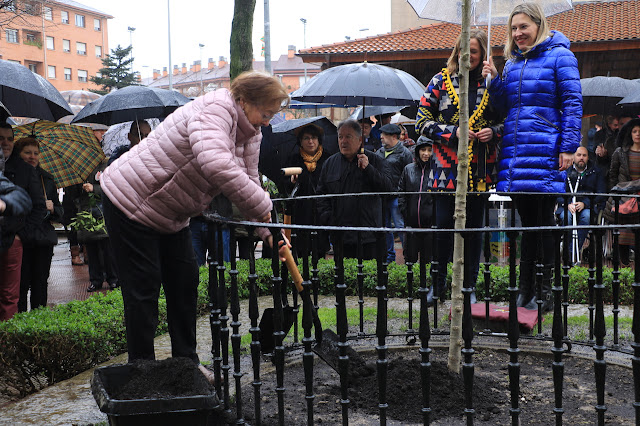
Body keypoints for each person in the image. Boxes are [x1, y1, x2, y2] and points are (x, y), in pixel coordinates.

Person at [100, 71, 290, 382]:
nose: (268, 121)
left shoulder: (251, 133)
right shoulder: (214, 109)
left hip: (170, 213)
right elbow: (215, 162)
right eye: (266, 113)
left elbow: (250, 182)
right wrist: (266, 206)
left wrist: (270, 232)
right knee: (144, 288)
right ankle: (142, 372)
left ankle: (185, 366)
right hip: (130, 200)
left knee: (184, 284)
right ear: (244, 100)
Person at [483, 2, 582, 311]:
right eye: (514, 28)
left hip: (545, 150)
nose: (518, 33)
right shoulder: (512, 63)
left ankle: (547, 289)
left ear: (539, 25)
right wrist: (495, 81)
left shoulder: (561, 56)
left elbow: (572, 102)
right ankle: (526, 290)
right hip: (516, 152)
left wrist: (567, 146)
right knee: (528, 224)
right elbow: (505, 108)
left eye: (523, 26)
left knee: (543, 223)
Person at [417, 28, 503, 305]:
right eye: (464, 50)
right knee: (443, 228)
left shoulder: (491, 83)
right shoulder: (439, 81)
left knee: (474, 232)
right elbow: (421, 121)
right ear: (457, 51)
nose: (469, 56)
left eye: (475, 51)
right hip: (445, 171)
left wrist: (494, 132)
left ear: (483, 54)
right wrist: (451, 132)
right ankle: (438, 284)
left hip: (479, 169)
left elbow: (507, 118)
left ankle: (469, 287)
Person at [316, 119, 393, 259]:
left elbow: (388, 188)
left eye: (348, 137)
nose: (343, 141)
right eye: (340, 137)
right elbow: (321, 194)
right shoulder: (330, 163)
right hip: (340, 235)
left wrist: (369, 169)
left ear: (359, 140)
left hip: (369, 236)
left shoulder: (375, 160)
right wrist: (329, 218)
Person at [0, 123, 46, 321]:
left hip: (12, 240)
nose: (5, 143)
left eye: (10, 139)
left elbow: (37, 206)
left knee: (11, 296)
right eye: (1, 138)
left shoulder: (25, 170)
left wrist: (20, 235)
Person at [14, 138, 63, 312]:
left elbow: (60, 212)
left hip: (42, 239)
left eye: (35, 153)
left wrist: (52, 208)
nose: (32, 157)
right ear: (18, 154)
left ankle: (38, 321)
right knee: (20, 284)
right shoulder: (12, 177)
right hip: (20, 237)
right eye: (27, 152)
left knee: (40, 283)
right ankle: (18, 324)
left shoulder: (47, 179)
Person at [284, 123, 331, 257]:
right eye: (306, 138)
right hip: (301, 211)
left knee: (320, 249)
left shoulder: (327, 158)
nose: (310, 141)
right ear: (300, 141)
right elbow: (284, 184)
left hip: (321, 210)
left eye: (314, 138)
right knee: (301, 249)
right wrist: (291, 182)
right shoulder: (294, 159)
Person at [555, 146, 606, 258]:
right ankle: (570, 252)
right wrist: (567, 204)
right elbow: (557, 192)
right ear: (573, 157)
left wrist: (585, 204)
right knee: (566, 217)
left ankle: (572, 252)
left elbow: (601, 194)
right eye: (579, 155)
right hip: (568, 206)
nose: (581, 158)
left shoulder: (596, 171)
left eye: (584, 155)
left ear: (588, 157)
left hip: (588, 207)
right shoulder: (564, 171)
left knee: (587, 216)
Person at [375, 123, 413, 263]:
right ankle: (389, 256)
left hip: (397, 196)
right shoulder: (379, 152)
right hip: (382, 196)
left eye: (384, 135)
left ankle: (408, 256)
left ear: (394, 137)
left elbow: (410, 174)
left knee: (400, 226)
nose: (381, 137)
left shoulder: (405, 153)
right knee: (385, 227)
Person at [78, 159, 118, 292]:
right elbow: (72, 195)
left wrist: (94, 188)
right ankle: (95, 280)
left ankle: (113, 279)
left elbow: (114, 187)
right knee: (91, 250)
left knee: (108, 250)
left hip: (103, 213)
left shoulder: (108, 165)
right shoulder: (79, 168)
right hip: (87, 215)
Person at [608, 118, 640, 267]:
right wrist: (616, 195)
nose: (638, 134)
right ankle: (624, 263)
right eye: (634, 131)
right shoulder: (620, 152)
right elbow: (612, 175)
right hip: (624, 198)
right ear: (630, 134)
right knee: (623, 232)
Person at [398, 136, 434, 264]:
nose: (426, 153)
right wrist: (405, 212)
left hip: (430, 226)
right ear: (418, 151)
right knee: (410, 260)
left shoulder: (436, 171)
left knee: (428, 261)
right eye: (423, 149)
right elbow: (401, 191)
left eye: (430, 150)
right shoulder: (408, 169)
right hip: (411, 224)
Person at [594, 115, 620, 187]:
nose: (617, 127)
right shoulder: (600, 135)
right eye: (615, 125)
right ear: (609, 124)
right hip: (604, 167)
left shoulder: (619, 134)